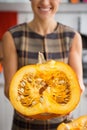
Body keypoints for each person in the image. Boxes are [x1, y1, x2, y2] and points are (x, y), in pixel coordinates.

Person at [2, 0, 85, 130]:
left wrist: (77, 92)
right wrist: (20, 105)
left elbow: (77, 82)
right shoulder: (11, 36)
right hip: (24, 126)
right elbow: (9, 88)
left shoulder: (73, 37)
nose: (45, 2)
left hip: (63, 126)